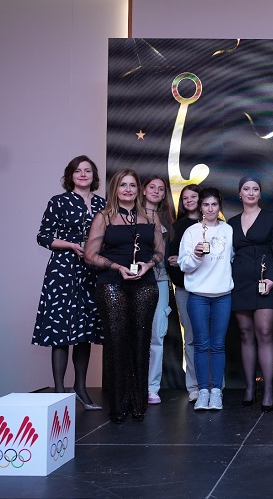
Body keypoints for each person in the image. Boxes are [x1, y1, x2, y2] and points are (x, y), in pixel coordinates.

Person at [85, 169, 164, 423]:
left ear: (138, 189)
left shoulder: (151, 215)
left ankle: (138, 403)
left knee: (141, 342)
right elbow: (90, 255)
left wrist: (148, 265)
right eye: (123, 185)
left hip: (145, 283)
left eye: (132, 185)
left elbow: (160, 251)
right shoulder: (104, 216)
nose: (128, 190)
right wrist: (117, 267)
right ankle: (118, 405)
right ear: (115, 189)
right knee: (117, 343)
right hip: (112, 283)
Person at [33, 155, 106, 410]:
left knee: (84, 331)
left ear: (94, 176)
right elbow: (43, 237)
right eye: (78, 171)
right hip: (63, 270)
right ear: (70, 176)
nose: (83, 174)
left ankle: (80, 389)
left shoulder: (102, 204)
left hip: (91, 272)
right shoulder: (59, 201)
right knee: (60, 331)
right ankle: (59, 393)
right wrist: (71, 245)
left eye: (87, 170)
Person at [228, 176, 273, 413]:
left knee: (264, 333)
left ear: (260, 194)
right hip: (240, 283)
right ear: (240, 194)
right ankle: (250, 387)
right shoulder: (231, 223)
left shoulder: (272, 218)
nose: (251, 192)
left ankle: (268, 389)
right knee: (245, 334)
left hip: (266, 282)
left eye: (255, 189)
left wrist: (272, 279)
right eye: (246, 189)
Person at [178, 187, 234, 411]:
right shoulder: (191, 232)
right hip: (198, 296)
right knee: (201, 345)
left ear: (219, 206)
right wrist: (196, 255)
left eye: (214, 205)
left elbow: (232, 259)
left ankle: (216, 392)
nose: (210, 209)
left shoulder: (228, 230)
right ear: (200, 207)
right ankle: (202, 392)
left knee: (218, 345)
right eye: (206, 205)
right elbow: (183, 265)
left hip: (223, 296)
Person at [142, 176, 175, 405]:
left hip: (161, 280)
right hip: (136, 280)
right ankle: (133, 384)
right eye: (152, 187)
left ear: (164, 195)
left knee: (157, 334)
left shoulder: (167, 221)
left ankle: (152, 387)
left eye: (160, 189)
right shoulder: (131, 215)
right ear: (143, 190)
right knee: (135, 334)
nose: (156, 191)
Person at [167, 184, 201, 402]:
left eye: (193, 196)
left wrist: (183, 261)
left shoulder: (215, 225)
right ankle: (194, 386)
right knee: (190, 338)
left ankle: (213, 385)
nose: (189, 200)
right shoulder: (177, 226)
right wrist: (182, 266)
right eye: (185, 197)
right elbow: (171, 261)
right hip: (184, 288)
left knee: (210, 340)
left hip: (210, 290)